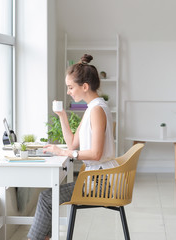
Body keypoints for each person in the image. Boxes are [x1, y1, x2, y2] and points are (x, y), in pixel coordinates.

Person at [27, 54, 117, 240]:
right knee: (47, 198)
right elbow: (73, 143)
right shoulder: (92, 108)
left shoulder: (97, 110)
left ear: (84, 86)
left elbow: (96, 153)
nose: (68, 92)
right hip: (95, 178)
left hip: (101, 183)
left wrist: (64, 153)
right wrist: (62, 116)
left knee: (46, 198)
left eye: (70, 87)